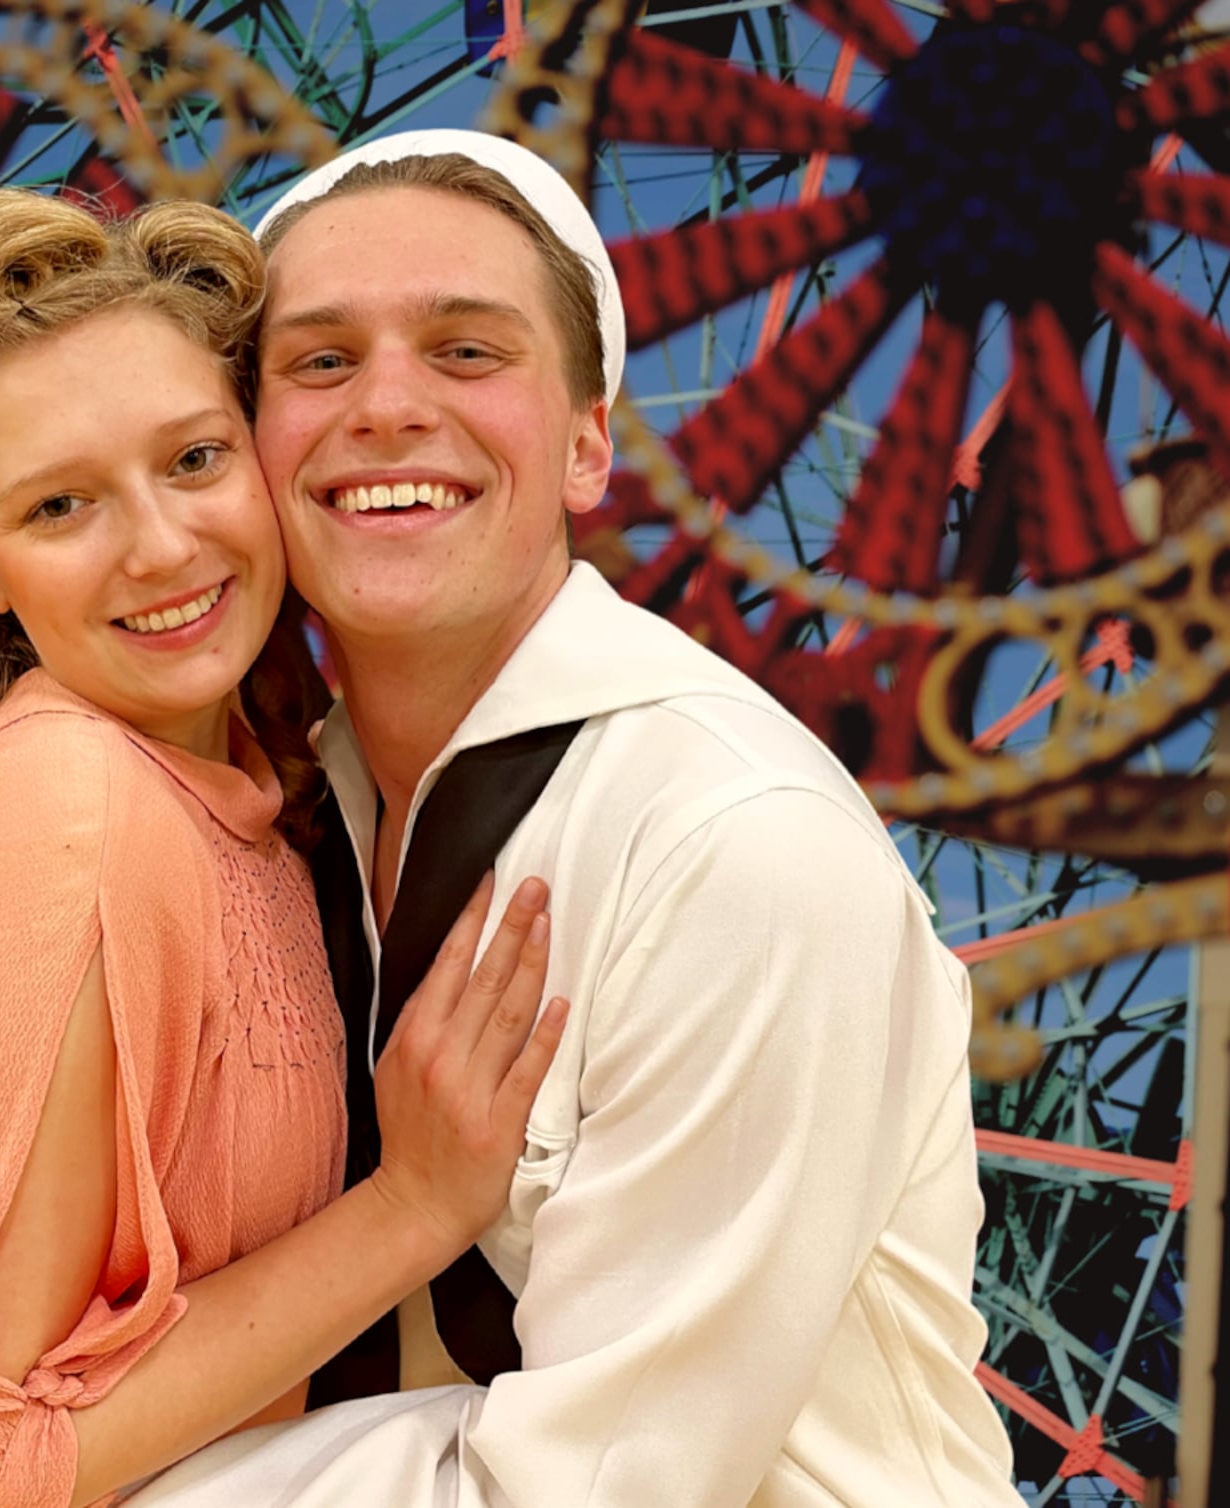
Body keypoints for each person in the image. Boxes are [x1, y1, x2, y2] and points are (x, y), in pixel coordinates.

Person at [127, 130, 1025, 1506]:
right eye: (318, 363)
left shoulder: (734, 849)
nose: (384, 408)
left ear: (590, 442)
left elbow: (602, 1491)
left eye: (467, 352)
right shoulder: (271, 825)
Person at [0, 186, 570, 1508]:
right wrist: (414, 1210)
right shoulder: (70, 817)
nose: (159, 547)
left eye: (195, 460)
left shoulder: (246, 785)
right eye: (61, 508)